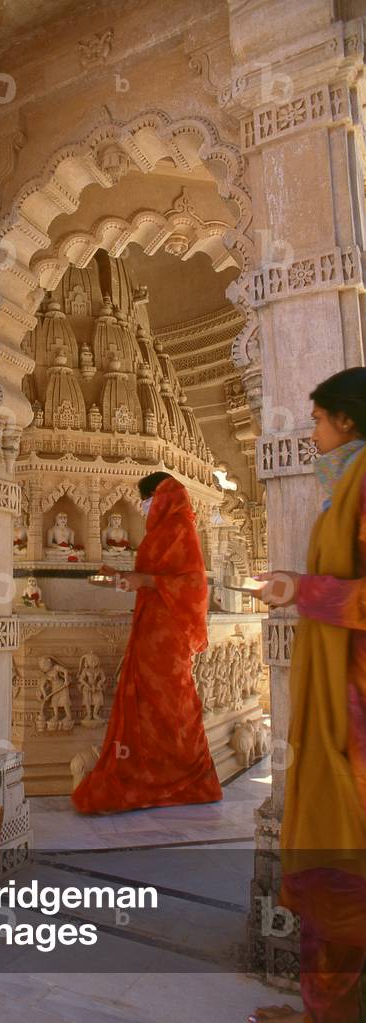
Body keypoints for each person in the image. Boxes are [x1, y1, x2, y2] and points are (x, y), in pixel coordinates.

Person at [248, 368, 366, 1023]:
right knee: (332, 872)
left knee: (346, 874)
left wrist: (303, 589)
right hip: (332, 709)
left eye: (318, 419)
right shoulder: (341, 489)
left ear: (347, 421)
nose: (312, 432)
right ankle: (326, 1011)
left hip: (356, 716)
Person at [71, 472, 222, 813]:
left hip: (169, 634)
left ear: (162, 496)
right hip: (151, 628)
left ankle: (188, 778)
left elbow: (194, 585)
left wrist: (143, 579)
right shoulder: (161, 531)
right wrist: (119, 577)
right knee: (146, 705)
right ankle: (147, 775)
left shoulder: (180, 529)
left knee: (172, 704)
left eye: (146, 499)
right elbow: (152, 581)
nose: (143, 508)